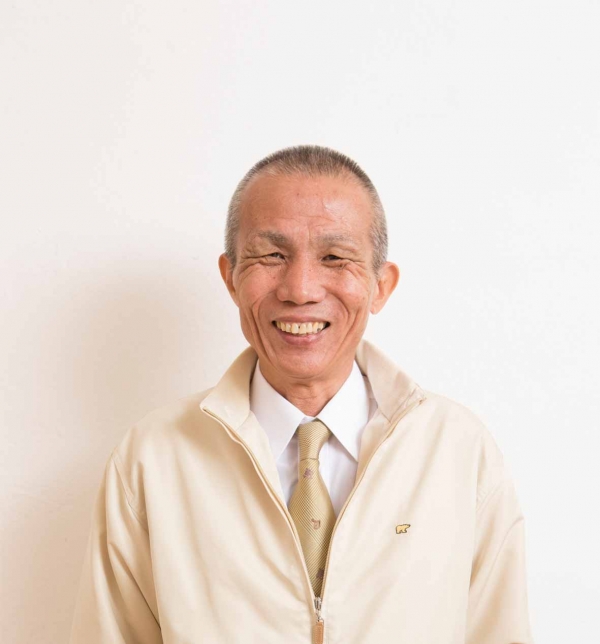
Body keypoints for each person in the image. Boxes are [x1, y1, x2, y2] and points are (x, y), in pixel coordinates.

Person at [70, 145, 534, 643]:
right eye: (272, 255)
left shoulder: (456, 450)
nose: (300, 288)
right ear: (230, 278)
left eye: (334, 258)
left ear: (380, 286)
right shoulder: (152, 458)